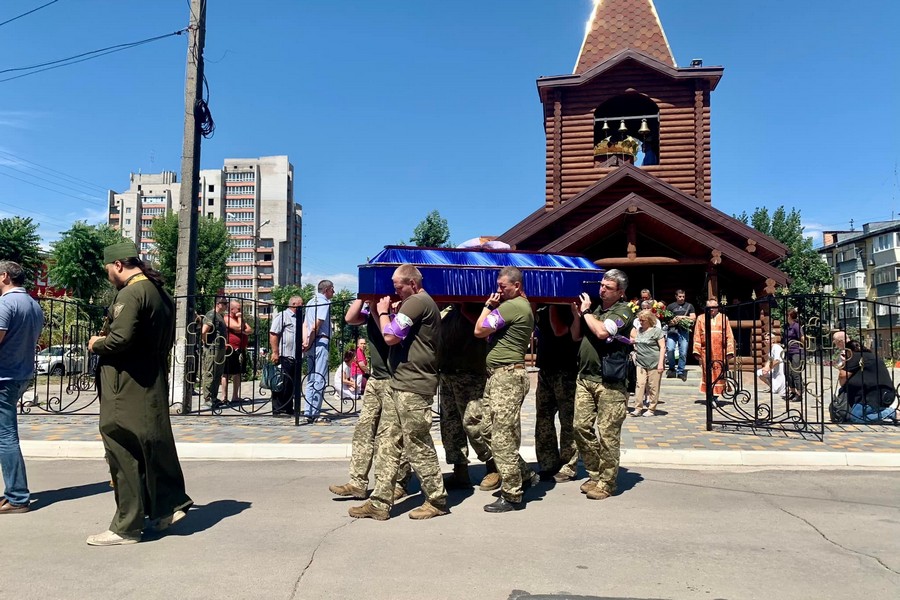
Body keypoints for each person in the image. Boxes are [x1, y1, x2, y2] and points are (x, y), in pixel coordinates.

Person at [86, 242, 192, 545]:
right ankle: (165, 508)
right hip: (150, 377)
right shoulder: (162, 293)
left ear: (118, 264)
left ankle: (125, 527)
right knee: (150, 444)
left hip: (125, 382)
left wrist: (96, 344)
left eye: (108, 270)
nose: (109, 276)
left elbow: (119, 339)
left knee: (122, 447)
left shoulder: (131, 293)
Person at [349, 265, 447, 520]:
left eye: (398, 287)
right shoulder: (414, 303)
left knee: (417, 444)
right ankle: (380, 502)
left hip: (413, 386)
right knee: (388, 442)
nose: (395, 291)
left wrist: (382, 313)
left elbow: (391, 337)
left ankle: (436, 500)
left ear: (412, 283)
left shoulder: (417, 302)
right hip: (400, 384)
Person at [329, 298, 410, 500]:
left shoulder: (401, 308)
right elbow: (350, 318)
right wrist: (362, 297)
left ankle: (398, 483)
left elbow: (390, 336)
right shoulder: (374, 308)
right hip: (376, 379)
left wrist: (379, 309)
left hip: (395, 379)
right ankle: (357, 482)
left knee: (392, 435)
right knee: (364, 430)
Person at [474, 266, 538, 513]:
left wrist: (488, 306)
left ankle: (512, 495)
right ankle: (524, 474)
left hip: (507, 378)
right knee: (488, 429)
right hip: (500, 377)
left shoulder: (512, 306)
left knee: (502, 437)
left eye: (503, 286)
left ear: (517, 286)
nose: (498, 290)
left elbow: (479, 330)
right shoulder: (521, 306)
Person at [570, 269, 635, 501]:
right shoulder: (597, 309)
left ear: (620, 292)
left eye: (608, 287)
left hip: (610, 383)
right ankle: (595, 473)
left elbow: (601, 332)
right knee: (579, 427)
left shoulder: (623, 311)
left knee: (608, 434)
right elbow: (576, 336)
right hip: (585, 377)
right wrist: (578, 315)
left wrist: (587, 312)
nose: (602, 289)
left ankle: (607, 482)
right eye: (602, 285)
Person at [0, 261, 43, 515]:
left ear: (4, 276)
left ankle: (17, 496)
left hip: (3, 378)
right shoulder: (33, 305)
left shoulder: (6, 304)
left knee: (6, 437)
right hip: (21, 374)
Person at [437, 303, 493, 489]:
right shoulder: (445, 311)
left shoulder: (476, 307)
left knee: (475, 423)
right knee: (450, 424)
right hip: (447, 372)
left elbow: (485, 331)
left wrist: (465, 308)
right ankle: (459, 470)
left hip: (471, 373)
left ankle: (493, 466)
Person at [533, 304, 580, 483]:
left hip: (566, 368)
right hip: (546, 367)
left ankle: (569, 465)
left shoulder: (566, 307)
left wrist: (552, 304)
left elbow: (559, 330)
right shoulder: (541, 308)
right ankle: (547, 463)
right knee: (543, 418)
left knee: (568, 420)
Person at [833, 337, 897, 423]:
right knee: (856, 414)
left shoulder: (855, 356)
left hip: (871, 397)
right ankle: (881, 411)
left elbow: (843, 375)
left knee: (856, 417)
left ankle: (893, 413)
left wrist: (844, 362)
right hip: (884, 394)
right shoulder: (870, 356)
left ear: (849, 351)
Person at [692, 299, 735, 407]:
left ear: (717, 307)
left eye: (713, 307)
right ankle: (710, 397)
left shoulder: (724, 318)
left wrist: (729, 350)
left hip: (720, 351)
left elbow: (729, 335)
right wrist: (696, 351)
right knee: (708, 374)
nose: (711, 309)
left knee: (719, 374)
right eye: (709, 307)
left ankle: (715, 397)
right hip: (706, 352)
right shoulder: (701, 318)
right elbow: (697, 335)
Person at [302, 280, 334, 424]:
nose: (333, 292)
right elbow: (317, 323)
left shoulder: (309, 301)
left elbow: (305, 324)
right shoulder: (324, 302)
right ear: (326, 290)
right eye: (332, 289)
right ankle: (314, 413)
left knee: (311, 378)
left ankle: (308, 411)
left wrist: (306, 342)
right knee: (319, 377)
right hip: (320, 340)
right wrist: (310, 340)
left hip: (311, 342)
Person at [269, 296, 303, 416]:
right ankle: (279, 409)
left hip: (296, 356)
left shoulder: (299, 318)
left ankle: (289, 408)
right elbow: (273, 333)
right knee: (281, 383)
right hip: (284, 355)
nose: (302, 307)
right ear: (293, 304)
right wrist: (275, 352)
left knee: (291, 384)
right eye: (300, 305)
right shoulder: (283, 315)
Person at [630, 309, 665, 416]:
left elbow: (662, 347)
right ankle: (638, 408)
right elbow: (633, 340)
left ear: (649, 320)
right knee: (640, 384)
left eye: (643, 320)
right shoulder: (638, 330)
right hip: (641, 362)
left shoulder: (656, 331)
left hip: (654, 362)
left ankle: (651, 408)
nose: (641, 322)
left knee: (653, 386)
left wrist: (661, 363)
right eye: (640, 320)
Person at [200, 297, 228, 408]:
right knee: (210, 372)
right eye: (224, 303)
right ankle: (207, 398)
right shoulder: (211, 314)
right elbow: (204, 330)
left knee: (218, 374)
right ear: (218, 304)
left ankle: (214, 397)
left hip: (220, 348)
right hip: (213, 348)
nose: (226, 305)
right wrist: (206, 342)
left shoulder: (220, 316)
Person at [222, 300, 251, 405]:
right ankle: (224, 397)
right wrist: (239, 322)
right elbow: (238, 327)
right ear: (232, 309)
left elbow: (249, 330)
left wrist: (241, 329)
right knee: (226, 373)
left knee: (237, 373)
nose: (240, 311)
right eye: (238, 309)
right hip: (230, 349)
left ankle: (235, 396)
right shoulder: (227, 318)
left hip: (240, 349)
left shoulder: (240, 319)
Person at [665, 290, 696, 381]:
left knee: (683, 352)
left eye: (683, 296)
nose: (682, 298)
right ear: (676, 296)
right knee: (670, 349)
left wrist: (681, 317)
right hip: (672, 331)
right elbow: (667, 320)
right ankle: (671, 368)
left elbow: (693, 318)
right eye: (680, 296)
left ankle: (680, 371)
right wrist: (673, 321)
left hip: (684, 331)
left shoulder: (689, 306)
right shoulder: (670, 306)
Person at [756, 331, 786, 398]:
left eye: (767, 339)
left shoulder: (776, 347)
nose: (766, 341)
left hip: (778, 370)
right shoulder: (771, 348)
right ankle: (771, 386)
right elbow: (769, 360)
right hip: (773, 369)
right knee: (759, 372)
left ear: (772, 340)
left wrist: (768, 368)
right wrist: (765, 368)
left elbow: (777, 360)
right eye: (765, 339)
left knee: (776, 390)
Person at [784, 308, 804, 402]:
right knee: (787, 372)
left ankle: (799, 393)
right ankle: (792, 392)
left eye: (787, 315)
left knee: (795, 373)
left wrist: (800, 346)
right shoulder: (787, 326)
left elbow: (802, 338)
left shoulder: (796, 326)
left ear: (790, 316)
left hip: (796, 351)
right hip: (788, 352)